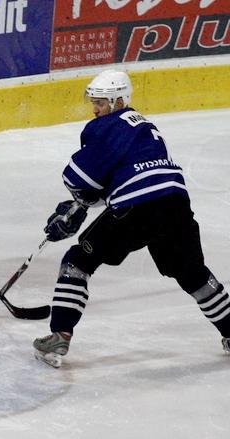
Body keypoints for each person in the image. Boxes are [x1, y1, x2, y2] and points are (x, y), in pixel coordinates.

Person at [33, 70, 230, 368]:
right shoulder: (145, 125)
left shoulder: (107, 125)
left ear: (118, 101)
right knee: (192, 273)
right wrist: (87, 202)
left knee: (78, 261)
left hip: (137, 207)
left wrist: (77, 204)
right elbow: (127, 173)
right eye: (94, 102)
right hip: (175, 202)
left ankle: (60, 333)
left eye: (100, 102)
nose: (95, 109)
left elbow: (79, 177)